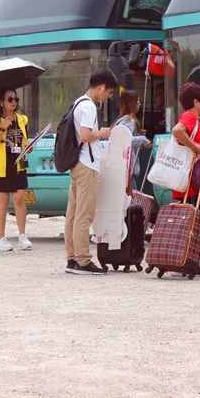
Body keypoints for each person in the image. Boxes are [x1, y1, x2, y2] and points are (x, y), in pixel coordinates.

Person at [64, 69, 118, 275]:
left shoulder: (78, 102)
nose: (108, 97)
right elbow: (86, 136)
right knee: (84, 214)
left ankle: (72, 257)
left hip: (77, 164)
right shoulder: (88, 107)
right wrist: (102, 133)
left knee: (73, 213)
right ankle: (83, 260)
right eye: (109, 93)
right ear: (102, 87)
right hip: (87, 165)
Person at [0, 88, 33, 251]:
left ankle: (22, 235)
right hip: (1, 166)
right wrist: (3, 128)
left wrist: (29, 147)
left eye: (16, 99)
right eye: (10, 99)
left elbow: (24, 141)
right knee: (3, 201)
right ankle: (1, 238)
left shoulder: (22, 120)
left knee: (19, 197)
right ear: (1, 103)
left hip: (18, 163)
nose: (14, 102)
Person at [170, 82, 200, 204]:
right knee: (190, 217)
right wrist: (196, 147)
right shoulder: (190, 117)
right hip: (190, 180)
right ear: (196, 102)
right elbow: (177, 130)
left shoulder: (196, 119)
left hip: (193, 179)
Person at [113, 90, 151, 189]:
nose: (139, 103)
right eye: (137, 100)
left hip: (121, 169)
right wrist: (142, 139)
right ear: (131, 103)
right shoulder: (130, 121)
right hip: (128, 170)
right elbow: (124, 139)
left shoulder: (120, 121)